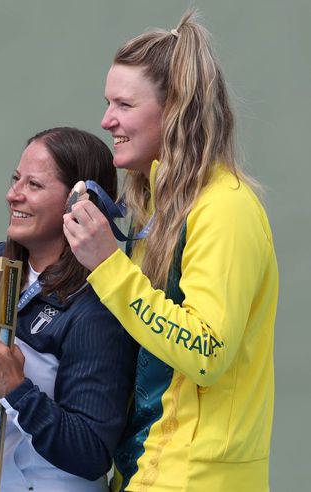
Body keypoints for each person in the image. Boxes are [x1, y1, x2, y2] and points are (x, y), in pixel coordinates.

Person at [62, 11, 278, 492]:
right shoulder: (153, 211)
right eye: (107, 102)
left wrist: (109, 267)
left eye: (124, 103)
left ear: (175, 108)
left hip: (197, 479)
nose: (106, 119)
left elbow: (206, 352)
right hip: (147, 471)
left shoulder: (226, 210)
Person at [0, 127, 139, 491]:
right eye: (15, 179)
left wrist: (16, 388)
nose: (12, 195)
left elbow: (91, 451)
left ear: (77, 204)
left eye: (33, 185)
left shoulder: (95, 306)